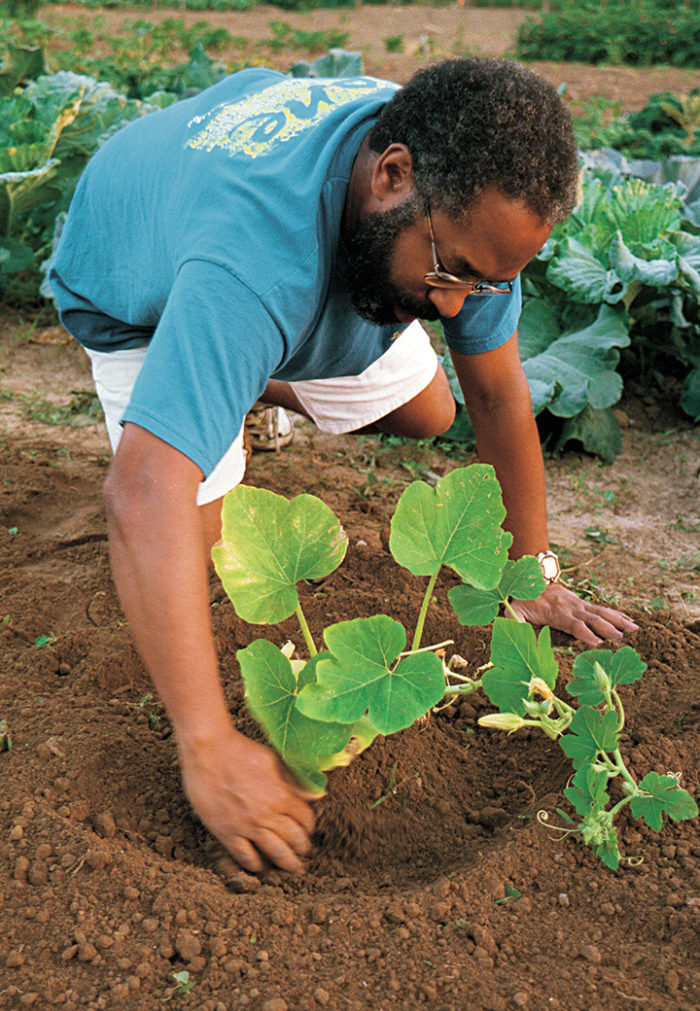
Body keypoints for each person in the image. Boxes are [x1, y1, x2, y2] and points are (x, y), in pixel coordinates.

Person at [49, 58, 638, 877]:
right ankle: (213, 380)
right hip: (134, 275)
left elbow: (497, 397)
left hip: (273, 246)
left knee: (431, 411)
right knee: (198, 559)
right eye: (455, 273)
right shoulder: (254, 262)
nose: (461, 305)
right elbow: (141, 491)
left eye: (489, 282)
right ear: (391, 175)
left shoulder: (469, 215)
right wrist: (208, 742)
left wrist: (527, 571)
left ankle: (234, 378)